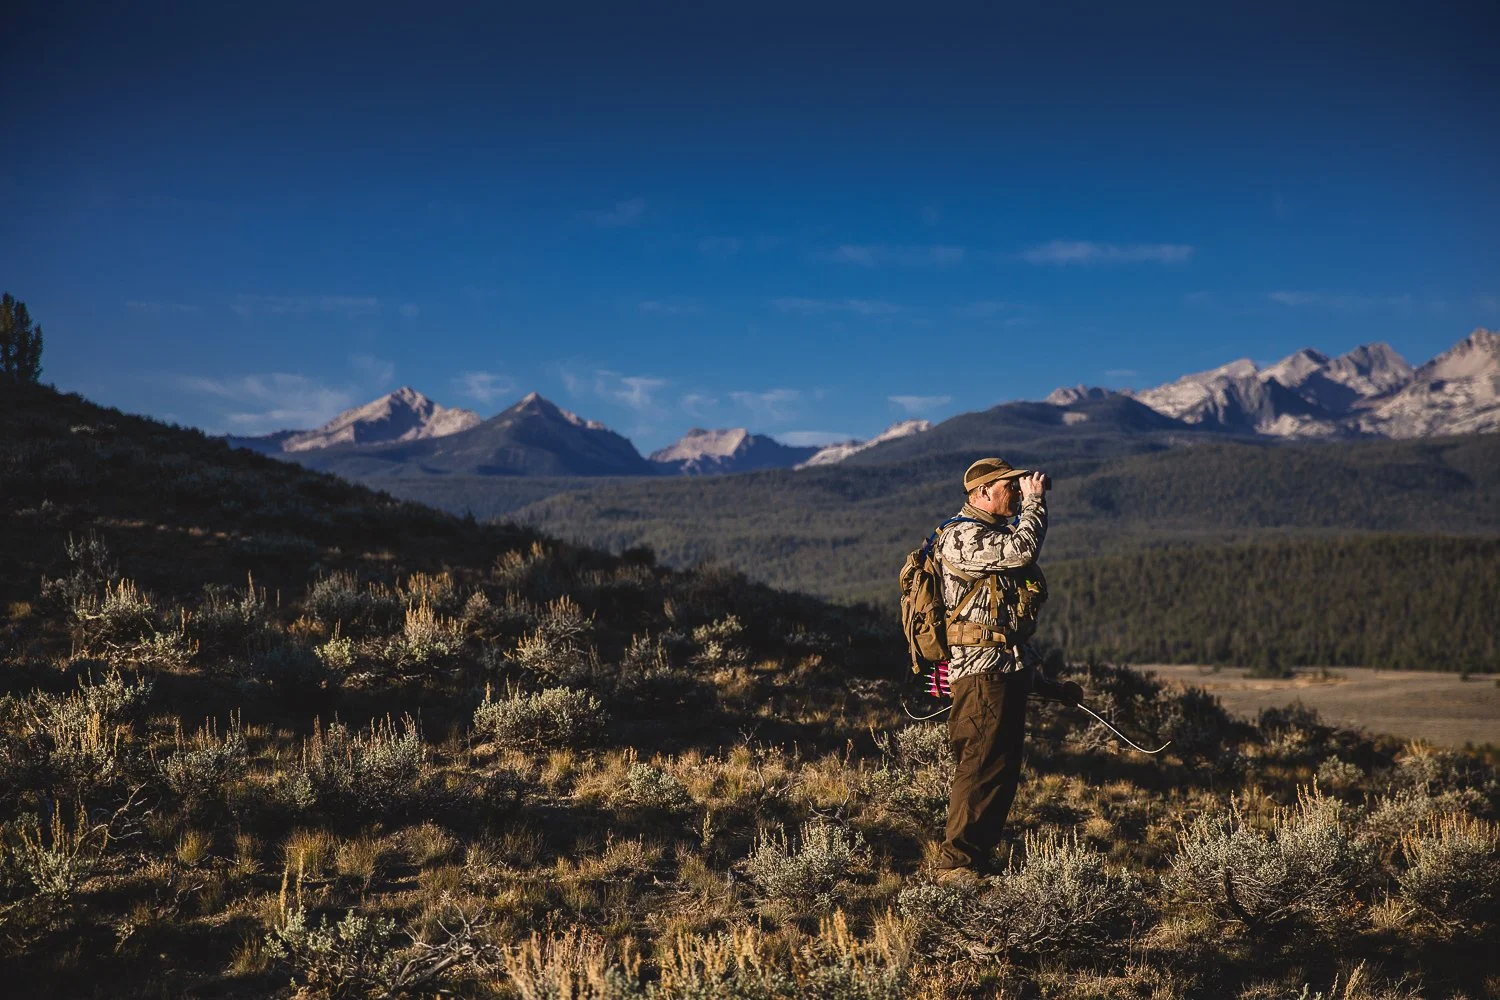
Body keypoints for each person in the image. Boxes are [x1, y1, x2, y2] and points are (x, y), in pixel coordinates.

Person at [931, 457, 1081, 884]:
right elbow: (1022, 551)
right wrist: (1036, 504)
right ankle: (956, 864)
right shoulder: (962, 536)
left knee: (1000, 769)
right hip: (979, 673)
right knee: (980, 764)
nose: (1017, 493)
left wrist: (1040, 679)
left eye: (1020, 488)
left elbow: (1005, 627)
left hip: (1002, 668)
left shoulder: (992, 534)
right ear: (982, 494)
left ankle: (975, 857)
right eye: (1010, 488)